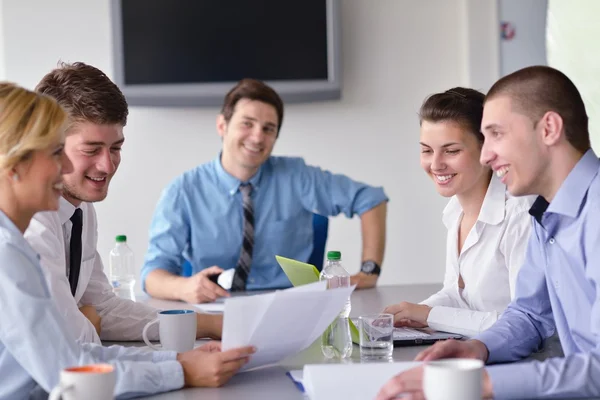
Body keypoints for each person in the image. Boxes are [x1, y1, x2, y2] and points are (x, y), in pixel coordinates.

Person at [0, 82, 255, 399]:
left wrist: (179, 362)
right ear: (13, 166)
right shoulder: (9, 250)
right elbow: (71, 366)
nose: (65, 167)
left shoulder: (53, 225)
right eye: (56, 152)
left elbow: (92, 327)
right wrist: (180, 370)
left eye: (115, 148)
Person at [377, 65, 600, 400]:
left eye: (496, 134)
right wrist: (479, 349)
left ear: (549, 129)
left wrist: (483, 385)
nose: (485, 155)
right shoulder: (547, 213)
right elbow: (529, 316)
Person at [24, 62, 222, 344]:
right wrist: (181, 368)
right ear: (49, 144)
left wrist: (207, 323)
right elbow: (67, 343)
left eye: (116, 148)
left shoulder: (81, 209)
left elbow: (104, 309)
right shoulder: (33, 221)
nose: (107, 165)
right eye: (91, 150)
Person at [142, 78, 389, 304]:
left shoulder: (297, 176)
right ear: (222, 125)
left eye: (268, 129)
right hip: (215, 311)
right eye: (247, 124)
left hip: (288, 307)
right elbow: (153, 274)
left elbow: (371, 198)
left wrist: (369, 271)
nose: (257, 137)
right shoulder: (183, 191)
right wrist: (183, 287)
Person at [383, 88, 533, 337]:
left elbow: (525, 325)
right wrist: (412, 313)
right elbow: (457, 294)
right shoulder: (455, 212)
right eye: (427, 150)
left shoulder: (521, 215)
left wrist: (429, 315)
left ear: (487, 150)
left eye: (451, 151)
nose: (435, 164)